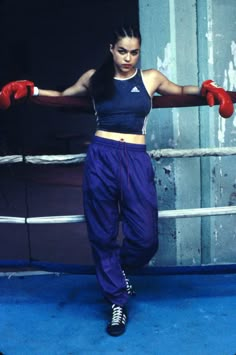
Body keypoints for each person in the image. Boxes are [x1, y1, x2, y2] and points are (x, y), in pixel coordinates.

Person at [0, 25, 233, 337]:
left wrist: (208, 90)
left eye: (134, 51)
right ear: (111, 48)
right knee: (103, 232)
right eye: (122, 51)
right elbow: (64, 98)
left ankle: (116, 271)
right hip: (102, 156)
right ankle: (117, 301)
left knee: (146, 237)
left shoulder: (150, 78)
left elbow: (179, 90)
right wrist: (33, 91)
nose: (128, 58)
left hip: (135, 159)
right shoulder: (94, 78)